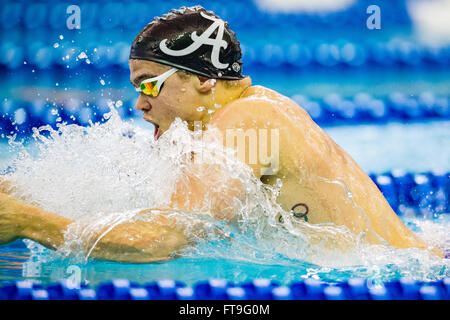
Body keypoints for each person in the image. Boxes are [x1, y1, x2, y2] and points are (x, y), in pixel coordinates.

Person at [0, 6, 440, 263]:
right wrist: (31, 193)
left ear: (205, 79)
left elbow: (162, 239)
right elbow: (164, 208)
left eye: (150, 83)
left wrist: (28, 222)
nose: (140, 104)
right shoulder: (250, 111)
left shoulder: (247, 120)